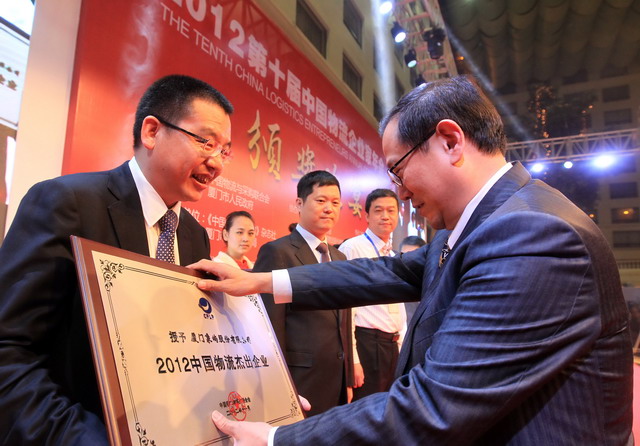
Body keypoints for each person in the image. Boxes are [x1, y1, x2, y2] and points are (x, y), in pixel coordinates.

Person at [192, 75, 632, 445]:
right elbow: (381, 272)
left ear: (450, 141)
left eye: (398, 171)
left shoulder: (531, 233)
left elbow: (434, 406)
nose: (400, 193)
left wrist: (276, 439)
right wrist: (260, 281)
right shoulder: (480, 226)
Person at [0, 74, 234, 445]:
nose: (217, 163)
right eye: (207, 142)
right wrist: (82, 437)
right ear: (152, 132)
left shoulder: (194, 234)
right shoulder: (68, 203)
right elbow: (10, 349)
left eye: (225, 150)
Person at [252, 170, 353, 416]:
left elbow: (344, 322)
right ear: (299, 203)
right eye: (321, 200)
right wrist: (279, 383)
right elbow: (268, 327)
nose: (329, 208)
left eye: (335, 203)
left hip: (336, 379)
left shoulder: (340, 257)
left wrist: (348, 376)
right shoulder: (278, 252)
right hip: (299, 379)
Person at [338, 188, 405, 400]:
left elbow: (398, 306)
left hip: (391, 346)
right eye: (378, 210)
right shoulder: (353, 248)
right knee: (366, 409)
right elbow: (346, 309)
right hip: (367, 344)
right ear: (366, 216)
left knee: (387, 409)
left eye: (391, 211)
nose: (385, 216)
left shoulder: (394, 255)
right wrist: (354, 360)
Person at [398, 235, 427, 323]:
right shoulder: (394, 290)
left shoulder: (430, 289)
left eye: (412, 258)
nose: (407, 262)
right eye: (403, 256)